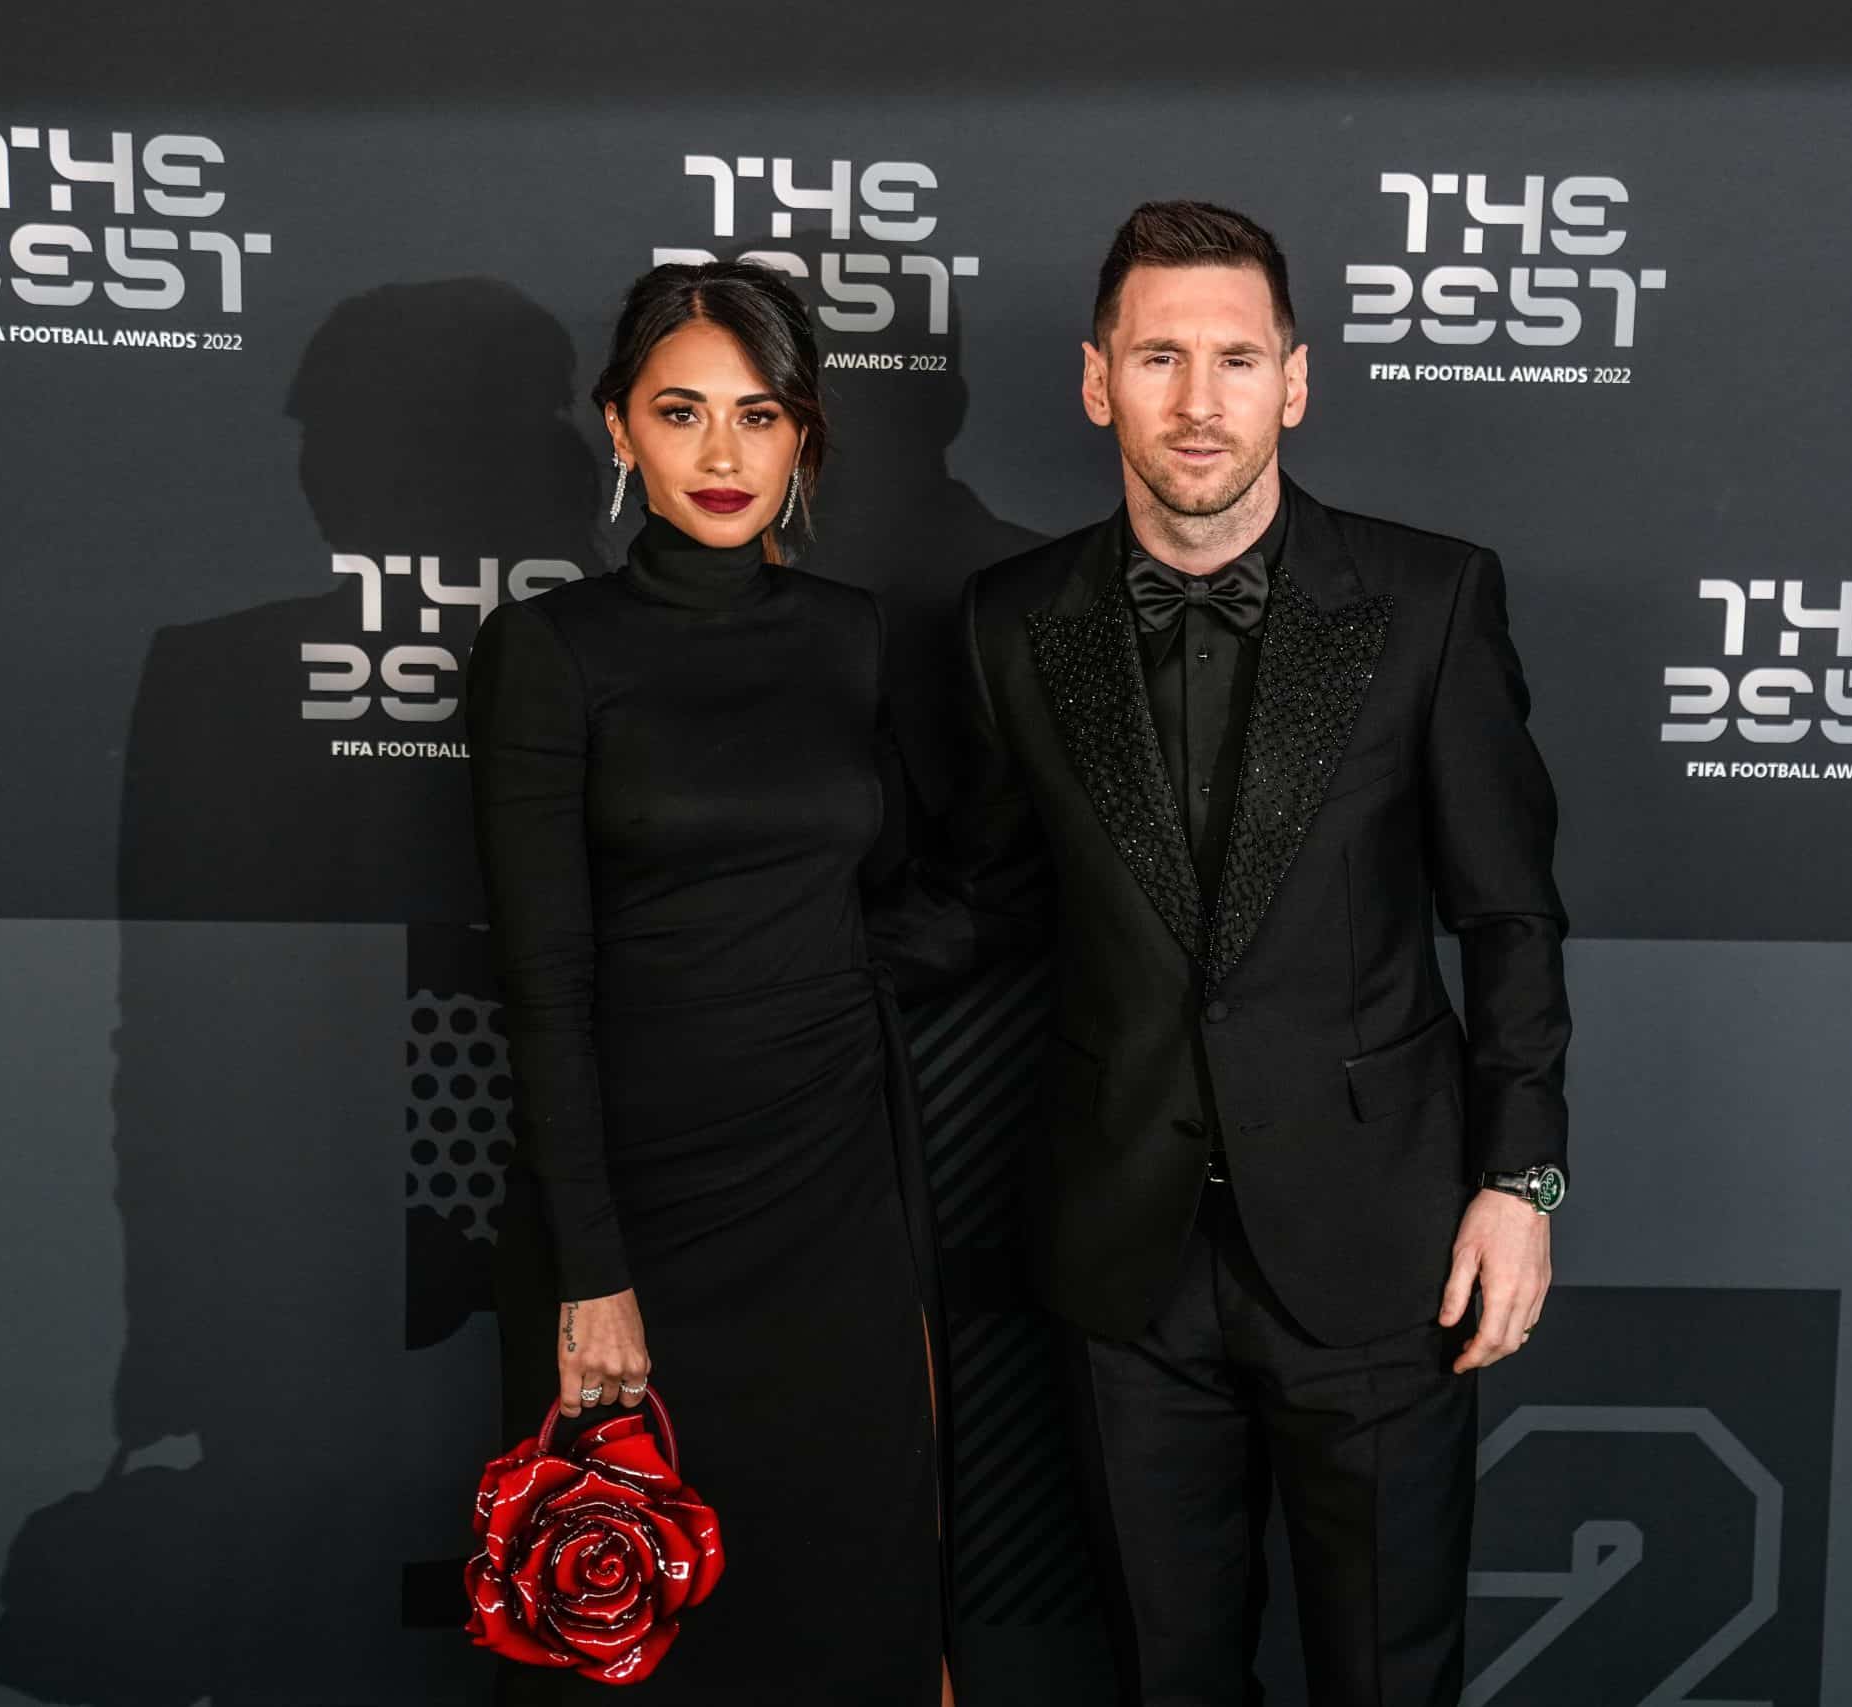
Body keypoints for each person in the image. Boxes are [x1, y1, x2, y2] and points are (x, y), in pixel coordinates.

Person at [873, 201, 1572, 1706]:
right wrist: (757, 960)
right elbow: (983, 899)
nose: (1199, 401)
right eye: (1160, 358)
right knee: (1163, 1681)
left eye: (1237, 359)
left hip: (1381, 1245)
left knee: (1387, 1678)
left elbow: (1510, 914)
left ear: (1294, 382)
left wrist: (1521, 1182)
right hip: (1123, 1256)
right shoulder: (1011, 620)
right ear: (1096, 381)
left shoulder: (1431, 600)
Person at [467, 260, 951, 1705]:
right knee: (639, 1636)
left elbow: (919, 890)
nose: (724, 453)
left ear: (805, 434)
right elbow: (542, 982)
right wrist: (592, 1277)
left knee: (846, 1595)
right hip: (638, 1209)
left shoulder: (853, 637)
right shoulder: (547, 652)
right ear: (620, 428)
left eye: (761, 414)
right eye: (682, 413)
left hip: (834, 1197)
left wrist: (809, 985)